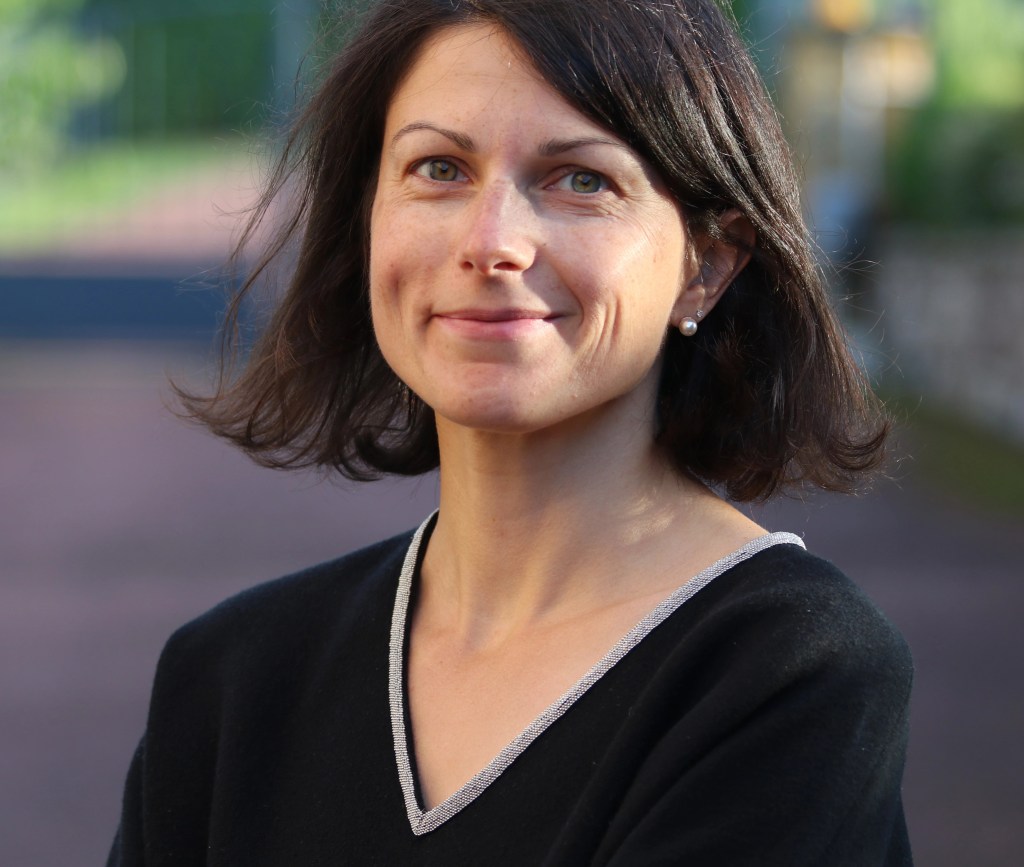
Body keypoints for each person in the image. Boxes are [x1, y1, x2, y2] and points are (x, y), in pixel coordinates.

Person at [108, 0, 913, 864]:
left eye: (581, 180)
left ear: (707, 265)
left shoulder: (790, 671)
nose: (491, 242)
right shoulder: (232, 677)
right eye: (439, 168)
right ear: (366, 219)